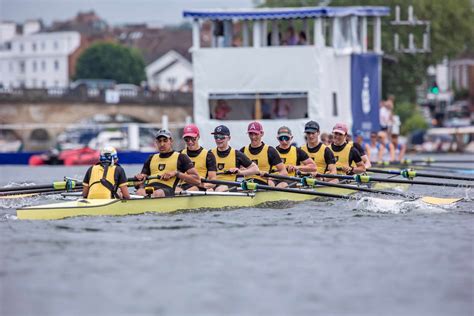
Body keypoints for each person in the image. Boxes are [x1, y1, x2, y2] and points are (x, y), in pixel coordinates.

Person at [135, 129, 200, 197]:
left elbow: (197, 180)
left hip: (168, 189)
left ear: (171, 141)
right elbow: (138, 184)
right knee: (139, 192)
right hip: (150, 187)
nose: (162, 144)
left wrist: (177, 173)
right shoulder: (151, 158)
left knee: (157, 193)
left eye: (165, 140)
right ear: (156, 142)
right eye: (159, 141)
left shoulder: (181, 157)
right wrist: (139, 180)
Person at [211, 125, 259, 192]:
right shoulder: (210, 154)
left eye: (221, 137)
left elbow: (255, 169)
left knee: (219, 189)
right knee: (208, 190)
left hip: (230, 184)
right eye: (216, 137)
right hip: (213, 183)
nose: (218, 139)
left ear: (229, 138)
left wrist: (240, 172)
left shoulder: (237, 154)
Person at [241, 121, 288, 186]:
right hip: (246, 184)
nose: (253, 137)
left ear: (262, 133)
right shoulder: (243, 150)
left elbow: (284, 172)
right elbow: (236, 170)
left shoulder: (270, 150)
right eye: (251, 134)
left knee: (284, 184)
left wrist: (270, 177)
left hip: (263, 184)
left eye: (256, 134)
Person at [177, 124, 217, 192]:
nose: (190, 142)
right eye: (187, 139)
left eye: (193, 138)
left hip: (200, 186)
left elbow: (213, 181)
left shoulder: (208, 155)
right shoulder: (179, 154)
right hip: (183, 186)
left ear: (198, 136)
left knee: (192, 190)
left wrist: (204, 185)